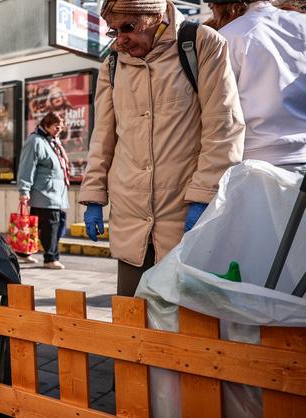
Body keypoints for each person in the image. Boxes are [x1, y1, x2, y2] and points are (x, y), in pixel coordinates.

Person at [78, 0, 245, 296]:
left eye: (128, 27)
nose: (121, 39)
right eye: (114, 31)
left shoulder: (202, 43)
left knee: (185, 326)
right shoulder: (112, 64)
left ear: (155, 16)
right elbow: (102, 136)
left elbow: (223, 127)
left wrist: (204, 196)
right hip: (131, 220)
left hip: (183, 217)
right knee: (132, 323)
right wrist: (93, 195)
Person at [205, 0, 306, 174]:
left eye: (212, 7)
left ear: (223, 6)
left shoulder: (227, 37)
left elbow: (218, 110)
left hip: (258, 160)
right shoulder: (301, 23)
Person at [16, 111, 70, 269]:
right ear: (46, 125)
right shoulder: (35, 141)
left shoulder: (53, 141)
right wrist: (24, 191)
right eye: (56, 126)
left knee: (45, 224)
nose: (59, 129)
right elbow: (27, 167)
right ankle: (51, 258)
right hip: (44, 193)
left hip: (56, 194)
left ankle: (24, 252)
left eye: (61, 127)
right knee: (50, 226)